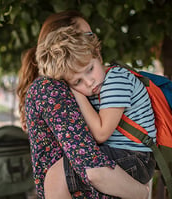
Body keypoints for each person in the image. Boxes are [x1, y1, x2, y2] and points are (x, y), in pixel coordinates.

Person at [17, 10, 149, 199]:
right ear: (62, 41)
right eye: (86, 35)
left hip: (118, 171)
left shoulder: (100, 83)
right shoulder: (51, 89)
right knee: (55, 177)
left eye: (92, 35)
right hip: (90, 183)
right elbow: (94, 168)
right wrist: (142, 193)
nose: (92, 41)